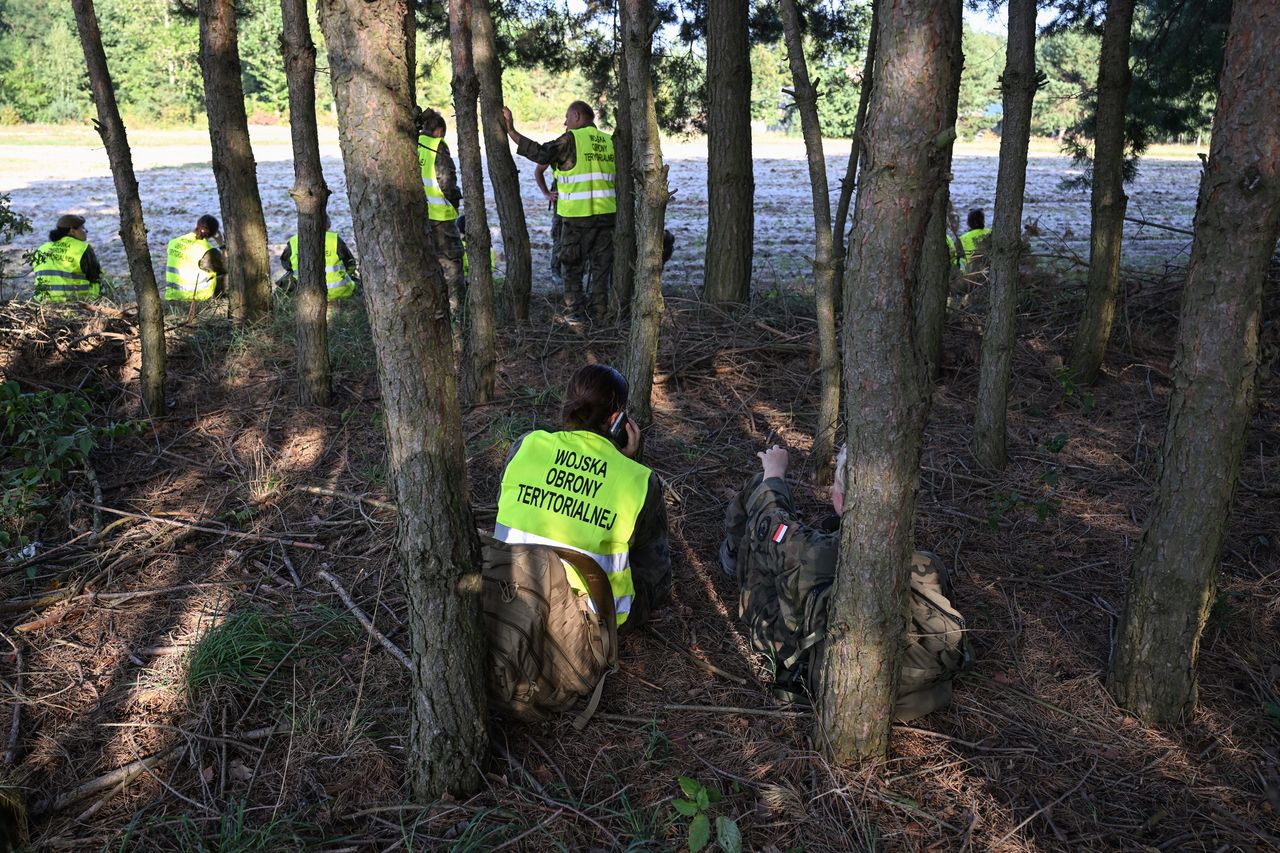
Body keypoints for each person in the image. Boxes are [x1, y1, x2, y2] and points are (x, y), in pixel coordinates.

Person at [722, 444, 972, 720]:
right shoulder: (926, 564)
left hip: (816, 669)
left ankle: (730, 557)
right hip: (916, 693)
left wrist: (774, 473)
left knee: (762, 504)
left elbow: (768, 519)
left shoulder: (811, 551)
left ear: (839, 500)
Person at [493, 364, 671, 633]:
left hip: (510, 598)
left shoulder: (526, 445)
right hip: (590, 625)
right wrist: (624, 465)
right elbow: (657, 568)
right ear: (616, 420)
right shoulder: (640, 480)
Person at [501, 101, 616, 320]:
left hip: (577, 218)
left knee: (571, 267)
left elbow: (541, 154)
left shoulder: (572, 140)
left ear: (577, 116)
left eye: (567, 118)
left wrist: (511, 131)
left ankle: (576, 317)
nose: (565, 123)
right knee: (601, 270)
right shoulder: (609, 141)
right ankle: (601, 315)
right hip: (608, 217)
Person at [416, 108, 465, 317]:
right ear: (438, 130)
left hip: (421, 215)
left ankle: (434, 306)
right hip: (441, 215)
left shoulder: (414, 144)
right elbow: (447, 181)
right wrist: (454, 201)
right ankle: (455, 309)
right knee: (452, 263)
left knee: (429, 261)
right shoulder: (438, 146)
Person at [279, 215, 358, 301]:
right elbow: (350, 263)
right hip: (340, 292)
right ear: (328, 225)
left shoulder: (294, 241)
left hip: (306, 294)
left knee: (286, 279)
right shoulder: (334, 239)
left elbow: (286, 265)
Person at [165, 214, 225, 319]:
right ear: (214, 233)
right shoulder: (207, 250)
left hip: (173, 294)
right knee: (229, 276)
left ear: (196, 225)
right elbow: (227, 267)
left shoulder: (173, 242)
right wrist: (222, 245)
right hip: (195, 296)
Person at [31, 214, 101, 302]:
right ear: (72, 231)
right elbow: (94, 276)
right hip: (74, 302)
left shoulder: (42, 248)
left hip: (42, 301)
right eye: (82, 228)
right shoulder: (82, 248)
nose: (86, 231)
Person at [533, 162, 564, 288]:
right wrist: (547, 193)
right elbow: (538, 171)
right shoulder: (557, 145)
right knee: (559, 235)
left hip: (583, 200)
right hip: (561, 200)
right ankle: (556, 270)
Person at [954, 207, 993, 273]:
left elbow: (957, 261)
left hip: (973, 272)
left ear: (968, 222)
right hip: (990, 268)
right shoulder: (991, 232)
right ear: (983, 221)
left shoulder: (962, 239)